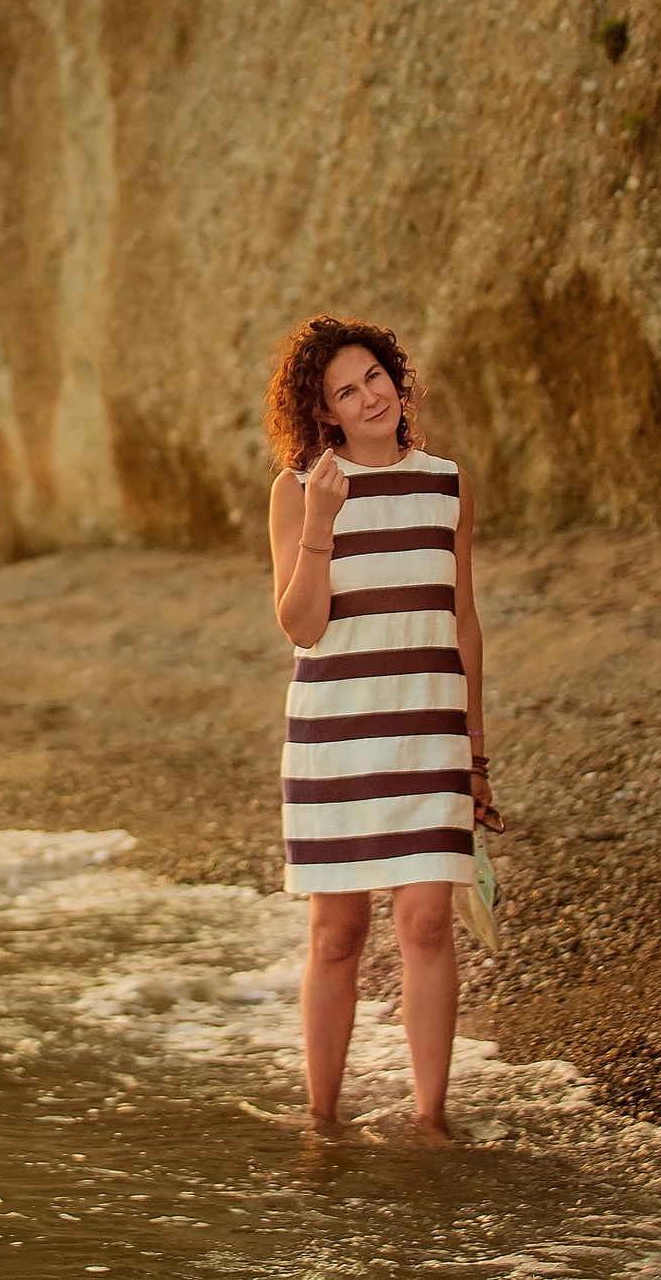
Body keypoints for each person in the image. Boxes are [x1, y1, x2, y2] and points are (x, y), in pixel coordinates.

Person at [264, 315, 500, 1142]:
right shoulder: (299, 488)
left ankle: (432, 1119)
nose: (371, 397)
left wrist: (476, 755)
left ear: (396, 379)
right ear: (323, 412)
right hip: (335, 738)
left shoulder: (447, 484)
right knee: (338, 933)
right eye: (347, 390)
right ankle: (322, 1121)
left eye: (376, 377)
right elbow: (301, 625)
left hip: (430, 734)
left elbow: (463, 621)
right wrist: (320, 524)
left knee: (426, 922)